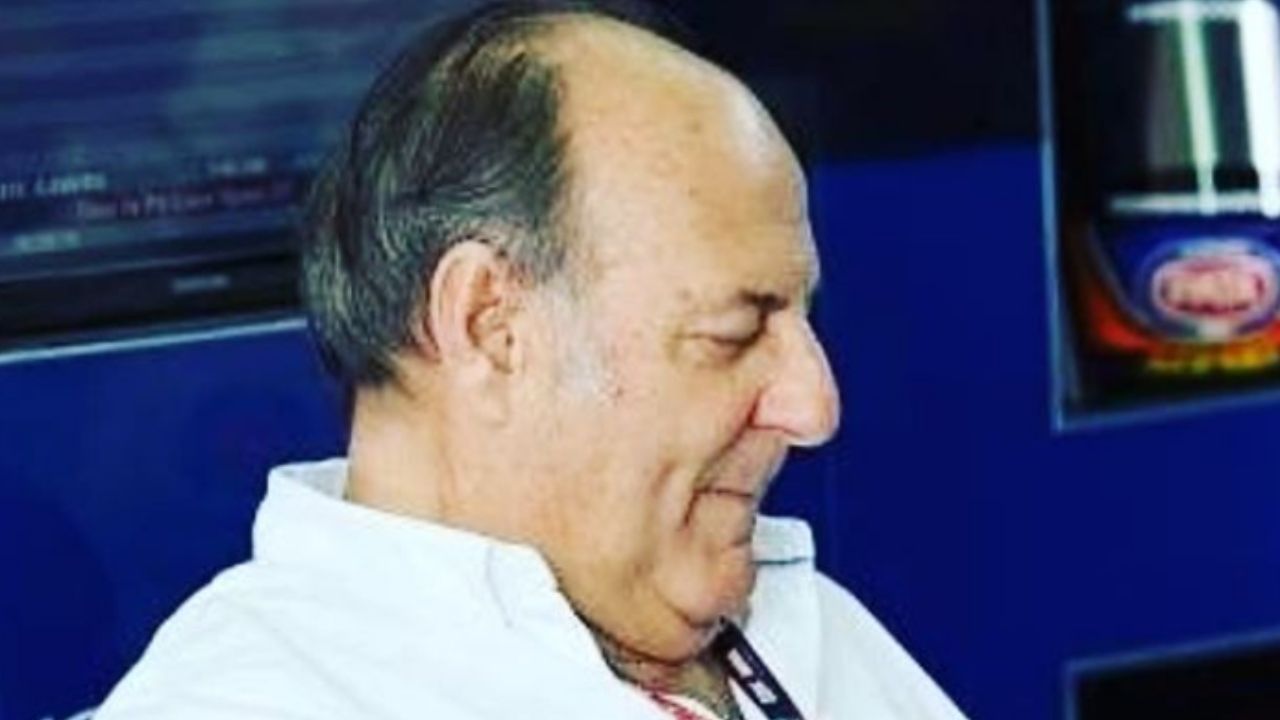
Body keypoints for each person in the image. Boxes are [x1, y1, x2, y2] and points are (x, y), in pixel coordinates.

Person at [95, 2, 967, 718]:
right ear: (489, 326)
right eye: (733, 334)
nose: (813, 408)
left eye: (801, 323)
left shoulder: (811, 625)